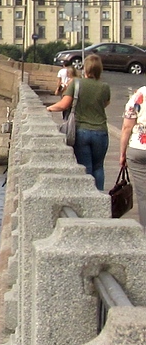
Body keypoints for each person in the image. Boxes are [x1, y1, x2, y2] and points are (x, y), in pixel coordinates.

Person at [47, 54, 112, 190]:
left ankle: (88, 196)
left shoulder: (76, 84)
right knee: (98, 167)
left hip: (81, 131)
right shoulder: (104, 86)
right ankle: (100, 197)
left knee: (85, 167)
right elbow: (105, 103)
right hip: (100, 131)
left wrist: (48, 108)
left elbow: (64, 105)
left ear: (85, 69)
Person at [119, 85, 146, 225]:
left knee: (144, 197)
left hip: (138, 149)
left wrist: (122, 153)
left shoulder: (139, 94)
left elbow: (126, 127)